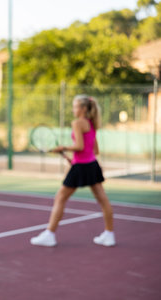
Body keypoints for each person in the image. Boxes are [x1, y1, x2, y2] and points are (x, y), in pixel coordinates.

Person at [30, 95, 115, 247]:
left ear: (83, 108)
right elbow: (94, 150)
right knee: (103, 200)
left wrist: (62, 148)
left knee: (60, 197)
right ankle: (109, 234)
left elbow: (80, 147)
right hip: (91, 165)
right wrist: (74, 158)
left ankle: (49, 234)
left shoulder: (77, 123)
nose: (73, 109)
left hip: (82, 166)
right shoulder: (91, 123)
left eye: (75, 106)